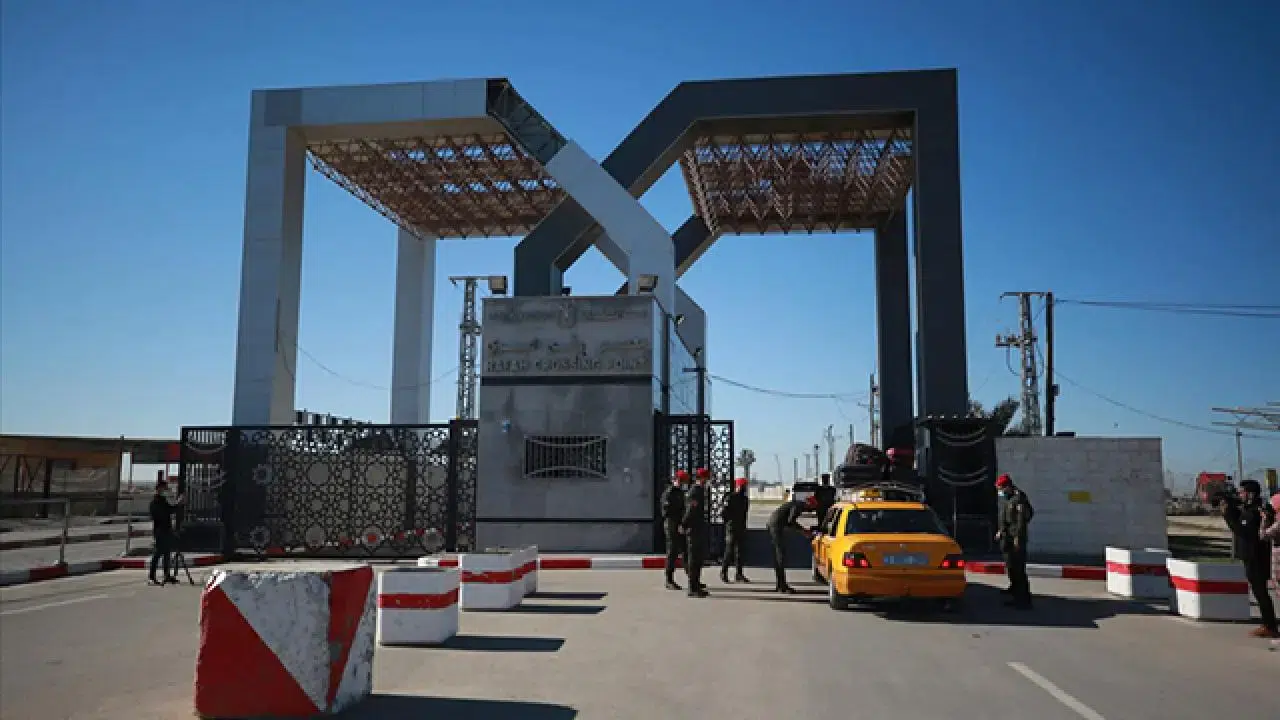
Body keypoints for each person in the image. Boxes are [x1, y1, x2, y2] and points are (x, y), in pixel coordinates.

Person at [1222, 480, 1278, 638]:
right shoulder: (1248, 510)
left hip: (1256, 557)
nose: (1240, 495)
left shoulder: (1256, 511)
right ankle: (1268, 624)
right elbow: (1240, 522)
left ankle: (1270, 625)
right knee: (1258, 591)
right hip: (1250, 556)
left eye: (1243, 492)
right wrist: (1229, 510)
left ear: (1251, 494)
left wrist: (1228, 516)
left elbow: (1244, 532)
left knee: (1260, 592)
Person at [994, 473, 1034, 609]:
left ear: (1007, 486)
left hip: (1016, 539)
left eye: (1001, 488)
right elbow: (1005, 517)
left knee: (1018, 569)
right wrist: (1001, 531)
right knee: (1010, 567)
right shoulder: (1008, 499)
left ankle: (1023, 599)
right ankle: (1014, 590)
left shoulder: (1019, 499)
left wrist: (1017, 539)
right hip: (1007, 538)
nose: (1000, 492)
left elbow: (1021, 521)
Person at [765, 494, 816, 594]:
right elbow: (791, 522)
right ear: (808, 503)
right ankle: (782, 585)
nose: (811, 510)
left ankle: (780, 584)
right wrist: (804, 531)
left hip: (774, 525)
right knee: (780, 556)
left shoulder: (796, 505)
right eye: (812, 507)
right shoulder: (798, 506)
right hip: (775, 527)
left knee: (779, 556)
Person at [682, 468, 712, 597]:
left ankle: (696, 584)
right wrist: (684, 524)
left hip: (698, 528)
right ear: (702, 478)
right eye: (707, 478)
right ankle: (692, 588)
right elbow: (691, 510)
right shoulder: (695, 491)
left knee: (698, 559)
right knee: (694, 559)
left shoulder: (700, 490)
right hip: (693, 529)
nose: (708, 481)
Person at [149, 480, 184, 586]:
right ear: (159, 488)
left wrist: (178, 504)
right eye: (164, 488)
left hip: (167, 530)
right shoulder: (155, 502)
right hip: (160, 531)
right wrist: (177, 504)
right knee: (158, 553)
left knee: (167, 554)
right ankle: (151, 577)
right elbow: (163, 514)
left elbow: (170, 510)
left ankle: (167, 575)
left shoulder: (163, 500)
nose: (165, 490)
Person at [660, 470, 689, 591]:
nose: (683, 483)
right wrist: (676, 522)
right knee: (672, 552)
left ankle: (692, 578)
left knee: (686, 550)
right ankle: (669, 579)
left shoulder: (681, 493)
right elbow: (666, 511)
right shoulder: (669, 493)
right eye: (681, 481)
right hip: (671, 524)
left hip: (680, 524)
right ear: (676, 480)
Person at [720, 477, 750, 583]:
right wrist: (728, 522)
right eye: (742, 486)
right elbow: (724, 512)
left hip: (740, 527)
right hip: (732, 527)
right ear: (737, 486)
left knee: (740, 552)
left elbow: (744, 514)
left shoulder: (745, 499)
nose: (743, 488)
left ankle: (739, 574)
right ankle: (723, 572)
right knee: (729, 551)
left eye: (744, 486)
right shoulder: (730, 497)